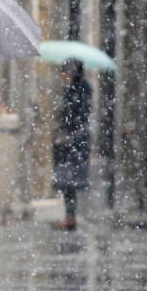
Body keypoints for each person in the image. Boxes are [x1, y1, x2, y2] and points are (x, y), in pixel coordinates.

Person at [52, 60, 92, 231]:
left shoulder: (79, 90)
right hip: (73, 141)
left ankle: (70, 217)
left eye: (65, 72)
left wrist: (65, 128)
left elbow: (77, 115)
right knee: (69, 182)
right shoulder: (76, 89)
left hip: (73, 142)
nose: (63, 76)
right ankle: (70, 216)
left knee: (70, 182)